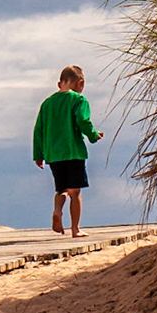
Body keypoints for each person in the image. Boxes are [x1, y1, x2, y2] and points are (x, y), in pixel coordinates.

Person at [32, 65, 103, 237]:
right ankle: (75, 229)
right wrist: (93, 135)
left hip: (53, 154)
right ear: (81, 83)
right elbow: (83, 121)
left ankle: (57, 211)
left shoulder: (47, 104)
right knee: (75, 192)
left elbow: (38, 130)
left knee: (61, 189)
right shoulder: (79, 100)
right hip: (73, 152)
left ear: (59, 84)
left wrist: (38, 155)